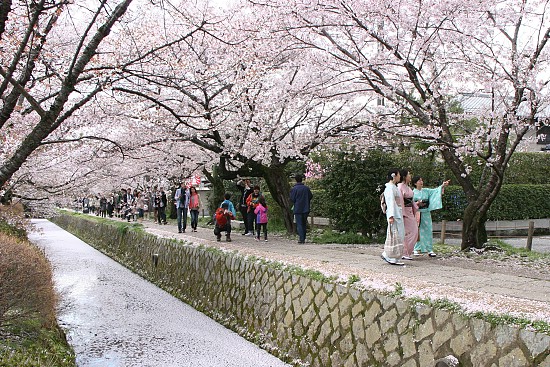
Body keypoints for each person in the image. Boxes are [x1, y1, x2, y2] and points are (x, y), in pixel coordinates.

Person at [412, 176, 451, 257]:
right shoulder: (412, 192)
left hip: (426, 212)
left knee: (428, 230)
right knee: (417, 231)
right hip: (417, 213)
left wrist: (442, 185)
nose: (421, 182)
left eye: (421, 180)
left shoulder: (426, 190)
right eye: (419, 181)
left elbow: (436, 191)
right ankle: (416, 248)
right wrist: (417, 203)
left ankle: (429, 249)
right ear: (415, 183)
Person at [382, 168, 405, 265]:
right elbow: (390, 202)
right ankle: (391, 256)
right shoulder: (390, 188)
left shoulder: (393, 187)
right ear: (394, 175)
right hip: (394, 214)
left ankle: (391, 255)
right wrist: (391, 215)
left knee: (399, 235)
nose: (400, 176)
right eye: (399, 174)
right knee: (395, 236)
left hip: (397, 213)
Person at [398, 169, 419, 260]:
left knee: (414, 231)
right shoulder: (400, 187)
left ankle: (407, 251)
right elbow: (400, 201)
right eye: (409, 175)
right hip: (404, 211)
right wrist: (402, 213)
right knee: (405, 232)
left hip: (410, 210)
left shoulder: (408, 187)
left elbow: (411, 199)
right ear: (404, 177)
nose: (410, 176)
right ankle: (404, 252)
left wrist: (416, 205)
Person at [290, 173, 313, 244]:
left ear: (296, 180)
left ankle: (301, 238)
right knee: (304, 223)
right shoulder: (306, 188)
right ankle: (304, 237)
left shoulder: (294, 189)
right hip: (306, 207)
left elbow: (292, 199)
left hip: (298, 208)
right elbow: (310, 196)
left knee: (299, 223)